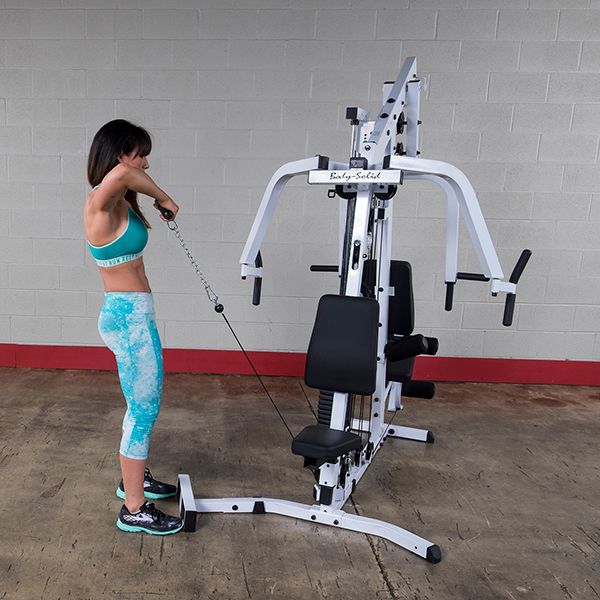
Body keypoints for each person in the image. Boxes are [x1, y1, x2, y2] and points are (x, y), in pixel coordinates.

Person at [84, 119, 182, 535]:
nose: (145, 163)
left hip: (134, 316)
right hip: (128, 320)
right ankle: (135, 508)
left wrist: (153, 198)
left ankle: (134, 481)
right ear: (120, 154)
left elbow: (126, 176)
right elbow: (125, 173)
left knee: (140, 408)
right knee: (143, 411)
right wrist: (165, 197)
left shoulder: (119, 202)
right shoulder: (100, 203)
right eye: (141, 154)